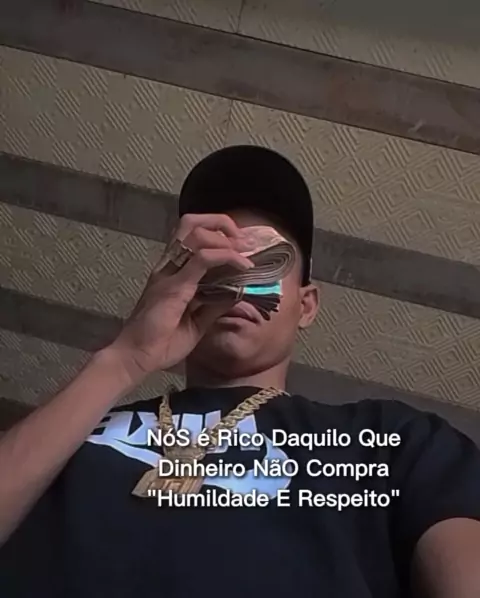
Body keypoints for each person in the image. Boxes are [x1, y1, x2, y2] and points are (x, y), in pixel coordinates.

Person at [0, 146, 480, 597]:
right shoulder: (71, 431)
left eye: (268, 263)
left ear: (306, 305)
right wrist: (126, 357)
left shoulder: (392, 440)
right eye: (218, 262)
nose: (241, 283)